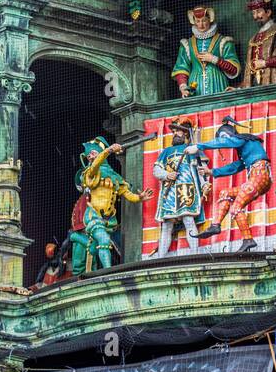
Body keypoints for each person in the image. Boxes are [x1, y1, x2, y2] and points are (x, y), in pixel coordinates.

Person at [189, 117, 272, 253]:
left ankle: (248, 239)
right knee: (225, 193)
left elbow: (227, 141)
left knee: (236, 208)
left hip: (259, 176)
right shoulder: (247, 147)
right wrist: (212, 171)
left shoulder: (242, 139)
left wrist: (198, 146)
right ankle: (216, 225)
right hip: (257, 179)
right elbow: (236, 166)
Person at [74, 137, 153, 271]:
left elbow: (126, 193)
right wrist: (109, 150)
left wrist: (139, 197)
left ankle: (87, 244)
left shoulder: (113, 175)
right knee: (104, 241)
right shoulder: (91, 172)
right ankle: (108, 272)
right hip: (94, 216)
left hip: (110, 219)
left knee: (103, 245)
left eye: (93, 153)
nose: (90, 157)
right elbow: (94, 166)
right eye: (88, 155)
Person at [151, 115, 208, 257]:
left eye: (179, 131)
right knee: (166, 225)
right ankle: (160, 259)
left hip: (186, 189)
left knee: (188, 220)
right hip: (169, 191)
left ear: (186, 133)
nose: (175, 133)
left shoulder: (191, 149)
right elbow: (156, 170)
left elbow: (200, 168)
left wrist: (204, 184)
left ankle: (195, 254)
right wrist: (166, 175)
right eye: (174, 131)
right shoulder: (165, 152)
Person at [171, 5, 241, 97]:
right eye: (198, 21)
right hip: (195, 85)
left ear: (210, 20)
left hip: (217, 83)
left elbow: (234, 70)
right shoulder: (187, 44)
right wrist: (183, 87)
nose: (201, 25)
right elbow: (181, 69)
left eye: (204, 20)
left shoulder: (223, 41)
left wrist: (214, 59)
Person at [244, 0, 276, 87]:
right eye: (253, 13)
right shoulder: (253, 39)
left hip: (275, 84)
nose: (255, 16)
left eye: (258, 11)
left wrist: (265, 63)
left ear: (268, 12)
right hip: (255, 88)